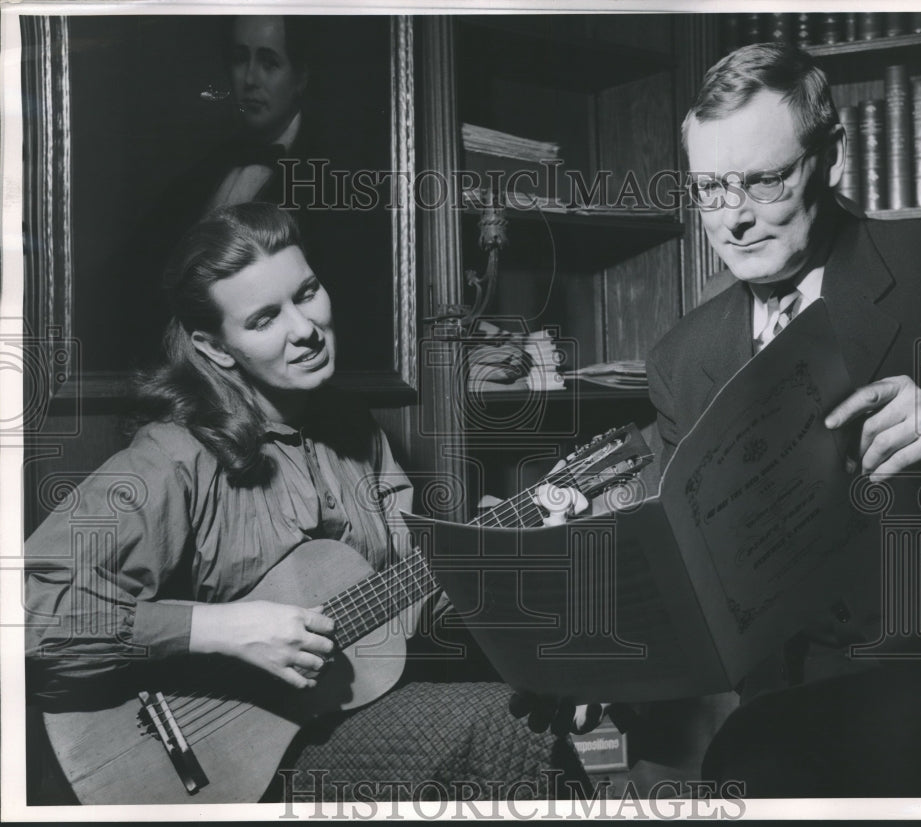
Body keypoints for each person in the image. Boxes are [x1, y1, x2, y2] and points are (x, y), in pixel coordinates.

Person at [514, 41, 921, 798]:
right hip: (775, 724)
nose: (733, 220)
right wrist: (597, 653)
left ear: (830, 157)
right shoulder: (681, 358)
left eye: (764, 181)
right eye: (709, 189)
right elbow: (690, 576)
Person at [24, 203, 582, 804]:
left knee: (524, 718)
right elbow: (26, 614)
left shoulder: (358, 432)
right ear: (215, 348)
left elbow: (409, 601)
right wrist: (218, 628)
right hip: (215, 762)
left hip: (343, 721)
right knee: (499, 726)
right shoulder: (171, 457)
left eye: (307, 292)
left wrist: (512, 550)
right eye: (265, 318)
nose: (305, 328)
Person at [121, 15, 390, 373]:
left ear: (302, 77)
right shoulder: (199, 175)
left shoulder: (336, 180)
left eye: (269, 62)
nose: (249, 79)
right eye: (239, 59)